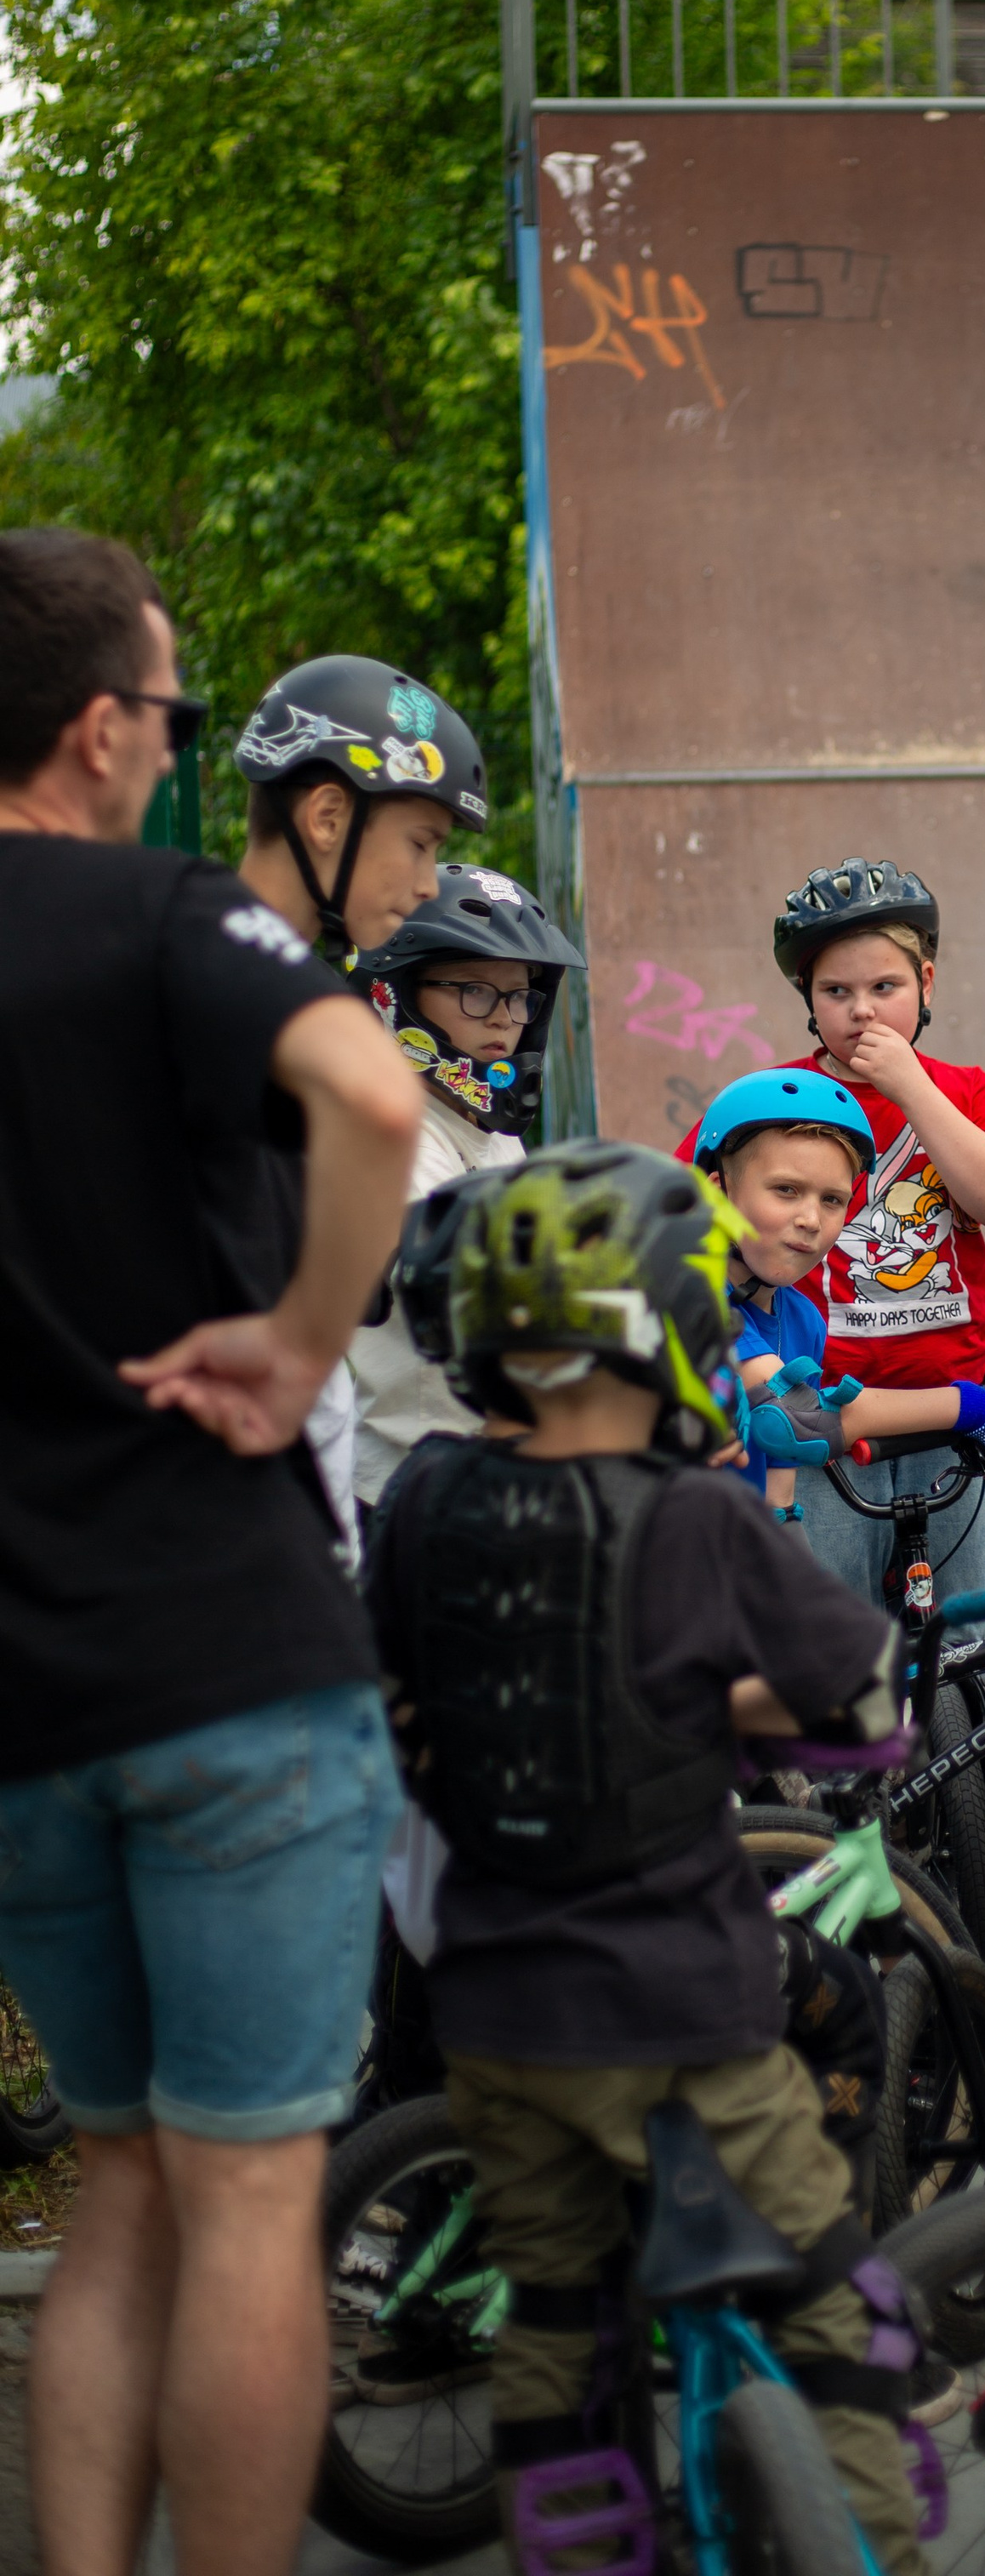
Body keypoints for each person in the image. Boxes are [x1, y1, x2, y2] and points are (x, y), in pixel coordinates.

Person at [0, 530, 423, 2576]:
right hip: (227, 1651)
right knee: (252, 2185)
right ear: (98, 729)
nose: (173, 759)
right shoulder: (162, 911)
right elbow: (371, 1089)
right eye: (169, 718)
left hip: (19, 1690)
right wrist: (303, 1338)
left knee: (120, 2180)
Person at [363, 1141, 925, 2576]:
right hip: (683, 2012)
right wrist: (725, 1709)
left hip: (491, 2016)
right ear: (674, 1320)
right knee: (839, 2314)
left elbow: (404, 1691)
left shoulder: (422, 1508)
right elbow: (863, 1714)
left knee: (558, 2323)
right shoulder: (697, 1518)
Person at [230, 651, 495, 1549]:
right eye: (421, 844)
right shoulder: (239, 986)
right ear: (328, 815)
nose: (428, 883)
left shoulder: (287, 985)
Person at [769, 860, 985, 1612]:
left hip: (952, 1418)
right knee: (840, 1647)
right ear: (808, 1000)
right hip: (824, 1425)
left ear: (927, 984)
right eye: (837, 992)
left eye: (884, 988)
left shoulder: (968, 1092)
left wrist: (911, 1086)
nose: (862, 1012)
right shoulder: (775, 1101)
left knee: (964, 1641)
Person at [684, 1070, 985, 1525]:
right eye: (786, 1190)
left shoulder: (801, 1319)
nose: (811, 1219)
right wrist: (967, 1406)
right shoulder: (689, 1295)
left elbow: (779, 1487)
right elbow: (797, 1422)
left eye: (833, 1200)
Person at [347, 860, 588, 1507]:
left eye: (519, 995)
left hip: (490, 1473)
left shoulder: (484, 1125)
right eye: (475, 991)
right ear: (397, 990)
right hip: (407, 1492)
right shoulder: (392, 1140)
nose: (505, 1018)